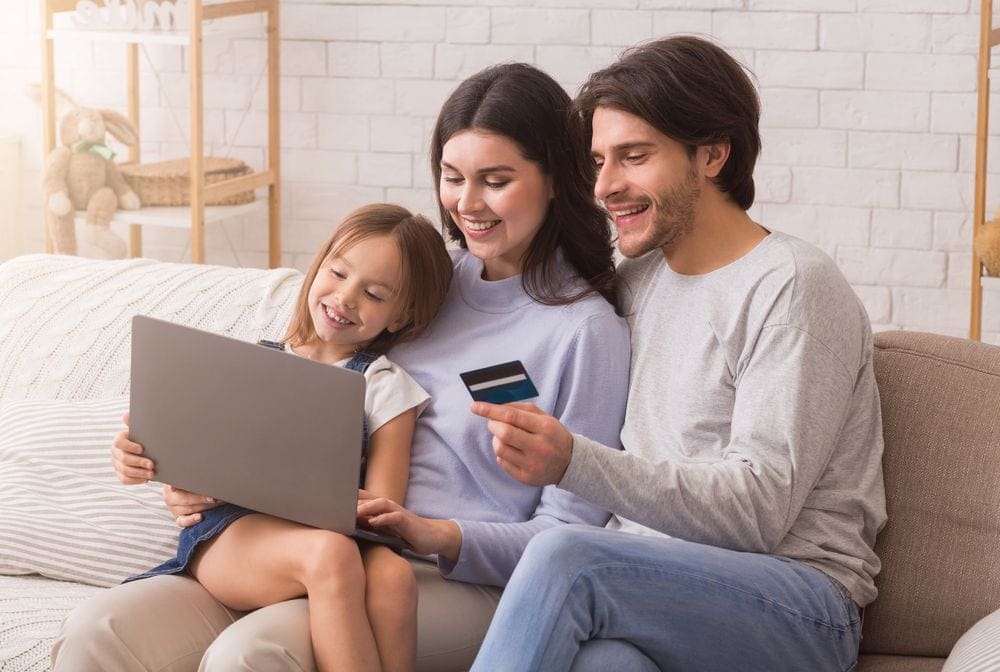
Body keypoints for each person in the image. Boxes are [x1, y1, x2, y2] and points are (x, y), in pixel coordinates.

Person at [52, 62, 631, 672]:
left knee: (253, 654)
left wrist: (440, 534)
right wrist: (198, 472)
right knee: (99, 628)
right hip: (306, 541)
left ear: (557, 181)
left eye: (496, 180)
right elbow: (294, 398)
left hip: (444, 578)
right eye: (452, 177)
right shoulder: (419, 278)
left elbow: (571, 537)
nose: (467, 203)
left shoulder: (584, 330)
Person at [469, 36, 888, 672]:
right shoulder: (638, 281)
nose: (606, 186)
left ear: (713, 154)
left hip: (799, 601)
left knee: (566, 558)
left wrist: (574, 461)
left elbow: (757, 513)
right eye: (599, 162)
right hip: (654, 590)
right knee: (605, 666)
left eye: (634, 157)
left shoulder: (793, 285)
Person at [112, 203, 453, 672]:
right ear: (318, 267)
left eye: (373, 294)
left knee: (394, 576)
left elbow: (382, 511)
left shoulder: (386, 386)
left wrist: (326, 500)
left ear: (400, 317)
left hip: (339, 541)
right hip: (232, 536)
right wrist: (142, 458)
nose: (346, 297)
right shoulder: (251, 362)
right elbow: (185, 452)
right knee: (329, 553)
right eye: (337, 273)